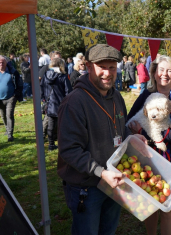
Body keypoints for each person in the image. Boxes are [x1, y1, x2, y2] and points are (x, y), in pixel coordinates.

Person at [57, 44, 147, 235]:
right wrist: (100, 171)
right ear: (89, 67)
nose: (107, 73)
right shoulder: (75, 102)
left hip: (114, 182)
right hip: (87, 188)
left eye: (112, 67)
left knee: (108, 231)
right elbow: (69, 150)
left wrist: (132, 138)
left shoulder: (116, 97)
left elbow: (119, 130)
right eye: (102, 67)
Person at [127, 55, 171, 235]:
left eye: (169, 71)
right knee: (150, 201)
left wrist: (143, 133)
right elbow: (130, 122)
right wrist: (144, 134)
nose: (164, 74)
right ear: (154, 74)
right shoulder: (146, 95)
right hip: (149, 156)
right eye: (161, 70)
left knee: (168, 205)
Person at [0, 55, 23, 142]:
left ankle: (10, 134)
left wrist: (15, 95)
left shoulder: (12, 72)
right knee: (3, 116)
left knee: (9, 115)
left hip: (11, 97)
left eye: (3, 62)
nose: (1, 64)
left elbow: (19, 84)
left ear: (6, 63)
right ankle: (7, 129)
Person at [40, 58, 72, 151]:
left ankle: (51, 144)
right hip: (61, 104)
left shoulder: (45, 75)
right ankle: (63, 144)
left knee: (51, 125)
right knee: (62, 125)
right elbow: (68, 91)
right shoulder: (62, 76)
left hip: (50, 104)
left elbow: (41, 88)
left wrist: (44, 99)